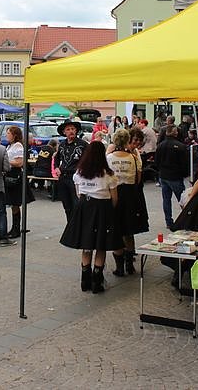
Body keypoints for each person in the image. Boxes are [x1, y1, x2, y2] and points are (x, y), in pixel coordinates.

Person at [59, 141, 121, 294]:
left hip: (84, 208)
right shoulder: (109, 174)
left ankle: (84, 281)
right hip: (102, 209)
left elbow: (78, 193)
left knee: (87, 246)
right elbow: (114, 199)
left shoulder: (80, 172)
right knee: (100, 245)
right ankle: (97, 282)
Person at [106, 129, 148, 277]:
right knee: (129, 231)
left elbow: (105, 178)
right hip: (130, 196)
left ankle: (119, 267)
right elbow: (138, 179)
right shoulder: (133, 157)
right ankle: (130, 265)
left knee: (116, 231)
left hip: (115, 195)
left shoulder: (109, 158)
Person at [154, 124, 189, 230]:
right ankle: (186, 219)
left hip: (163, 176)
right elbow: (185, 163)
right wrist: (185, 174)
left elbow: (156, 162)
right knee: (183, 199)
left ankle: (168, 221)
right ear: (175, 133)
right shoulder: (180, 146)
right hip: (175, 176)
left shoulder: (160, 145)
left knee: (166, 199)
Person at [52, 120, 89, 221]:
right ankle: (70, 226)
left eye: (73, 129)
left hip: (76, 178)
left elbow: (90, 158)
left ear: (76, 130)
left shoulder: (83, 144)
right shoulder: (62, 144)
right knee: (67, 206)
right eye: (68, 129)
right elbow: (56, 158)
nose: (71, 131)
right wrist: (56, 167)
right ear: (64, 132)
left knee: (76, 204)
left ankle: (77, 226)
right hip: (63, 177)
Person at [4, 125, 35, 239]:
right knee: (13, 204)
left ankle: (16, 228)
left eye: (8, 133)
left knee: (15, 203)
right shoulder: (10, 146)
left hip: (15, 176)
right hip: (10, 174)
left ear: (14, 135)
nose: (6, 135)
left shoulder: (18, 146)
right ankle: (15, 227)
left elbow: (19, 163)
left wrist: (6, 161)